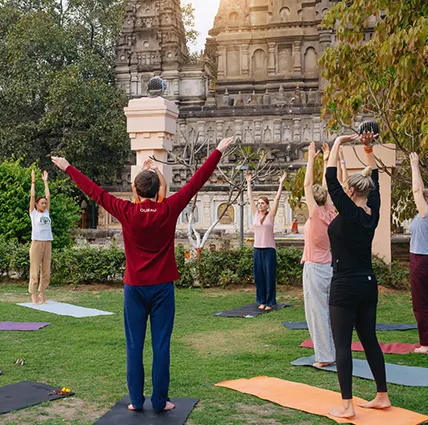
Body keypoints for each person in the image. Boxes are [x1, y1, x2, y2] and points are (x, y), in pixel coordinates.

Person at [51, 137, 235, 413]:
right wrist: (218, 149)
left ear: (134, 192)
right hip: (162, 288)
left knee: (134, 346)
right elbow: (197, 181)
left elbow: (95, 192)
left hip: (135, 287)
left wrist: (67, 166)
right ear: (158, 189)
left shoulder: (127, 210)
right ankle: (160, 402)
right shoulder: (168, 209)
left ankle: (137, 401)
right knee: (161, 346)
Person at [325, 131, 390, 418]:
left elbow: (329, 178)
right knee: (369, 340)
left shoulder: (350, 210)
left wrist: (339, 142)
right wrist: (367, 148)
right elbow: (374, 180)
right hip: (367, 283)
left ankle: (347, 404)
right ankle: (382, 395)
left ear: (350, 191)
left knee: (342, 345)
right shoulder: (371, 212)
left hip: (345, 285)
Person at [301, 142, 337, 368]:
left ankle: (324, 356)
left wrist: (310, 158)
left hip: (315, 269)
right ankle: (330, 352)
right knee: (327, 313)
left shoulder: (315, 215)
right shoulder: (330, 212)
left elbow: (307, 184)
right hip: (328, 267)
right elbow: (327, 189)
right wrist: (325, 161)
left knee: (317, 314)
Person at [408, 152, 428, 353]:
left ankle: (427, 343)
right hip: (419, 259)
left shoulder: (427, 215)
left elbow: (416, 189)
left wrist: (414, 166)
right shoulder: (424, 215)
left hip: (421, 260)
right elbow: (418, 191)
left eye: (420, 200)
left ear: (427, 203)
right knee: (422, 300)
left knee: (422, 302)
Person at [245, 169, 287, 311]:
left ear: (267, 205)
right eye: (259, 203)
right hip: (258, 249)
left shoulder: (271, 215)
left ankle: (270, 301)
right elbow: (250, 198)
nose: (260, 205)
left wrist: (281, 184)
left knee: (269, 276)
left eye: (263, 203)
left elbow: (277, 199)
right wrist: (249, 182)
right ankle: (261, 300)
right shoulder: (256, 214)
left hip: (269, 249)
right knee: (259, 277)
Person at [29, 169, 52, 305]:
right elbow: (32, 197)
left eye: (45, 203)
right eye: (41, 203)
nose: (44, 204)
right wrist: (33, 181)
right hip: (37, 243)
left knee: (46, 271)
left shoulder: (47, 213)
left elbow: (48, 196)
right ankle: (33, 294)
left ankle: (42, 292)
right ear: (37, 205)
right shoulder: (34, 213)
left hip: (47, 243)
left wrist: (45, 182)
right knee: (34, 270)